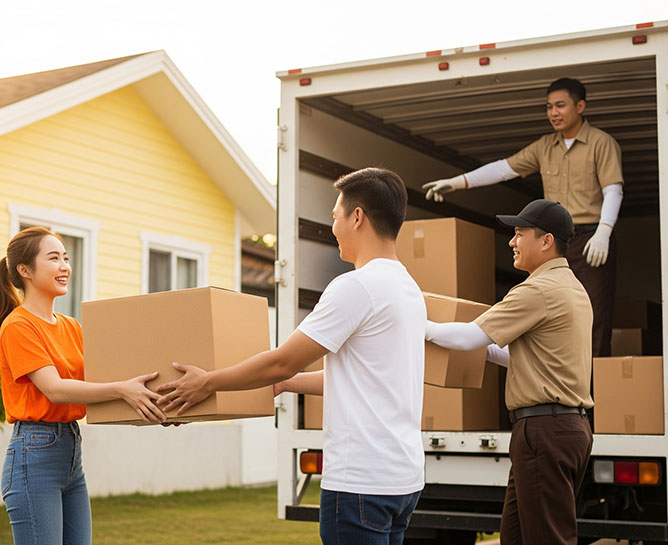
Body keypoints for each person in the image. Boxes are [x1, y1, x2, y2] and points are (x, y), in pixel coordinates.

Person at [156, 167, 427, 545]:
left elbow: (283, 360)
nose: (333, 227)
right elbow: (364, 377)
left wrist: (207, 382)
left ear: (357, 217)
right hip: (402, 480)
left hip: (360, 484)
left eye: (335, 216)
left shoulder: (357, 287)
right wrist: (286, 384)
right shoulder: (408, 289)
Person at [426, 199, 594, 545]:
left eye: (519, 233)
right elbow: (529, 357)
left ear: (546, 241)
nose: (512, 242)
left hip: (544, 429)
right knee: (515, 537)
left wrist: (417, 325)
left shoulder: (538, 290)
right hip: (564, 427)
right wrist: (481, 347)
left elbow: (470, 336)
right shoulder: (573, 288)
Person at [0, 226, 166, 545]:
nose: (65, 266)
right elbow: (55, 389)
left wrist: (159, 406)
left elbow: (100, 384)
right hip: (34, 456)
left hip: (70, 451)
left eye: (66, 258)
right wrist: (123, 389)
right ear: (25, 270)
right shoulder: (18, 326)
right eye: (54, 258)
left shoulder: (71, 327)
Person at [422, 77, 623, 356]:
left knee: (593, 314)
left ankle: (593, 383)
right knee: (544, 306)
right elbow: (504, 169)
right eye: (549, 107)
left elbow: (613, 189)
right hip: (552, 241)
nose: (553, 112)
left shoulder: (602, 143)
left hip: (590, 241)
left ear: (580, 106)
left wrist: (604, 231)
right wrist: (456, 182)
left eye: (560, 105)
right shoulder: (544, 146)